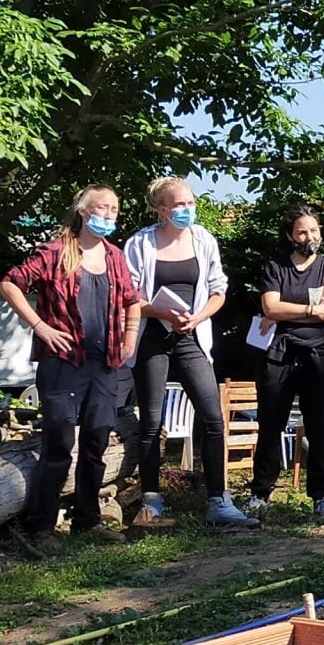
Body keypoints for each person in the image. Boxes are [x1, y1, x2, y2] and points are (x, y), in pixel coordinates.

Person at [0, 185, 144, 547]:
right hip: (63, 362)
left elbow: (133, 301)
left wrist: (129, 339)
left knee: (96, 440)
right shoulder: (54, 252)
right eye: (103, 208)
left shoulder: (115, 256)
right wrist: (40, 326)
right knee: (60, 442)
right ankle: (42, 526)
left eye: (114, 209)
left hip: (104, 364)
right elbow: (10, 284)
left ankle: (88, 520)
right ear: (83, 211)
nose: (109, 215)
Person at [122, 177, 253, 529]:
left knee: (212, 416)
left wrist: (198, 316)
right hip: (152, 334)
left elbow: (218, 290)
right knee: (150, 421)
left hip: (192, 335)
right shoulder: (140, 243)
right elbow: (129, 296)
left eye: (190, 202)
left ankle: (219, 501)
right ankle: (152, 502)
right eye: (179, 204)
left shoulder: (204, 239)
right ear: (161, 209)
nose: (187, 209)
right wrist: (163, 312)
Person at [251, 207, 324, 516]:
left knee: (318, 427)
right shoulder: (275, 267)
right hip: (279, 353)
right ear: (291, 236)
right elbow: (270, 306)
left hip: (320, 356)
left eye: (314, 231)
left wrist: (287, 310)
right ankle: (261, 493)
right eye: (303, 232)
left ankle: (322, 496)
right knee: (270, 423)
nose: (310, 237)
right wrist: (308, 311)